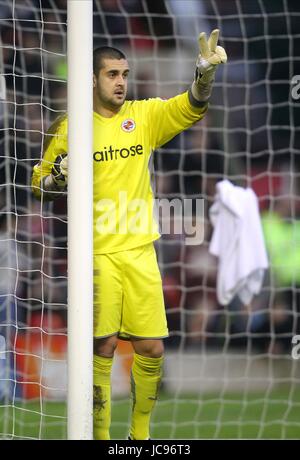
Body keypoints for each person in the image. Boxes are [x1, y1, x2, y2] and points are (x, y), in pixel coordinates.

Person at [31, 30, 227, 440]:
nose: (121, 82)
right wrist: (57, 180)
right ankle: (100, 437)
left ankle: (140, 435)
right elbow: (37, 185)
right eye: (112, 74)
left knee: (152, 348)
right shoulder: (70, 128)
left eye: (124, 73)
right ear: (92, 80)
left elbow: (190, 108)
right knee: (101, 347)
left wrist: (203, 76)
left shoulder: (144, 116)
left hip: (140, 252)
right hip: (96, 255)